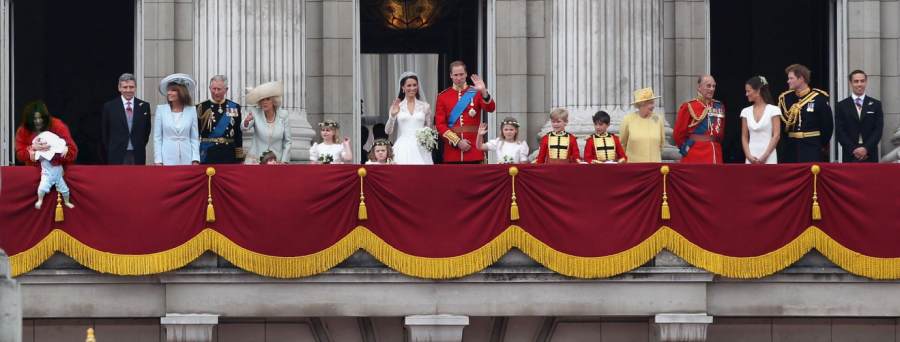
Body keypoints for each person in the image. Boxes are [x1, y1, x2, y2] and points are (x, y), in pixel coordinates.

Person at [15, 101, 79, 206]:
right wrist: (32, 149)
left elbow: (72, 151)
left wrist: (53, 154)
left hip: (59, 174)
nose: (38, 121)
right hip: (35, 178)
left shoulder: (57, 126)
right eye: (34, 119)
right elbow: (19, 154)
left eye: (40, 118)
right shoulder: (23, 130)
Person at [434, 61, 497, 164]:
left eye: (461, 74)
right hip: (452, 152)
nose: (459, 78)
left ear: (466, 74)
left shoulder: (475, 92)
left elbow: (491, 108)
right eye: (455, 75)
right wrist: (457, 141)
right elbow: (440, 125)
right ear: (450, 75)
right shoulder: (443, 96)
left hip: (474, 149)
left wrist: (484, 92)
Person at [777, 64, 833, 163]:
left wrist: (820, 145)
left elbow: (827, 126)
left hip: (812, 148)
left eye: (791, 78)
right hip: (791, 149)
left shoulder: (819, 98)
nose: (788, 81)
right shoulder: (786, 98)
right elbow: (783, 127)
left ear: (801, 79)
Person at [101, 73, 152, 165]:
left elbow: (146, 130)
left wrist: (138, 143)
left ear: (135, 88)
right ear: (119, 88)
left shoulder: (144, 106)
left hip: (137, 153)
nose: (128, 90)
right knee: (117, 179)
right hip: (116, 153)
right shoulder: (109, 107)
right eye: (125, 87)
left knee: (137, 179)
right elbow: (105, 132)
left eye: (131, 87)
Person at [674, 75, 725, 164]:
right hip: (695, 153)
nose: (712, 89)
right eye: (708, 86)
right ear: (699, 87)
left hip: (714, 152)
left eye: (713, 86)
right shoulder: (688, 106)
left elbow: (721, 133)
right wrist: (688, 148)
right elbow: (678, 134)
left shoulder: (719, 106)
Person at [386, 71, 434, 165]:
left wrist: (427, 139)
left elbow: (429, 129)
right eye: (409, 85)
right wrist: (392, 116)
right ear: (403, 87)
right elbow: (388, 131)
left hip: (421, 147)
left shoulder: (425, 106)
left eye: (414, 85)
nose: (412, 88)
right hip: (402, 146)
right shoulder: (396, 106)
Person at [835, 70, 883, 163]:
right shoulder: (841, 105)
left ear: (866, 82)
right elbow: (840, 131)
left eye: (862, 81)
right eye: (856, 81)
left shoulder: (876, 104)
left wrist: (866, 148)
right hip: (850, 155)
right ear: (850, 83)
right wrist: (853, 150)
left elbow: (878, 130)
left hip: (870, 154)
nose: (859, 84)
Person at [154, 74, 200, 166]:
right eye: (168, 90)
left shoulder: (191, 110)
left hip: (187, 157)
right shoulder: (161, 110)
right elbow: (157, 138)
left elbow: (194, 138)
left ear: (181, 92)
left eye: (173, 90)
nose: (169, 93)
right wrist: (158, 160)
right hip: (167, 157)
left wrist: (195, 159)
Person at [242, 81, 293, 163]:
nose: (264, 102)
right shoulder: (255, 113)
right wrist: (246, 121)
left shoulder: (284, 115)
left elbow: (288, 141)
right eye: (262, 100)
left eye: (267, 99)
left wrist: (284, 161)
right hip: (256, 160)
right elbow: (244, 128)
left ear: (274, 101)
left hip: (276, 161)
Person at [197, 75, 244, 164]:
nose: (216, 92)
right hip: (208, 153)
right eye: (213, 89)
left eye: (219, 89)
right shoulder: (201, 107)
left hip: (229, 154)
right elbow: (196, 134)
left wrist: (239, 157)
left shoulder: (234, 107)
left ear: (226, 90)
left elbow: (238, 133)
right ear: (209, 88)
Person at [740, 76, 781, 164]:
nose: (746, 94)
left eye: (748, 91)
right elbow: (744, 136)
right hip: (751, 156)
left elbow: (776, 135)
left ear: (758, 91)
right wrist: (748, 156)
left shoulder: (774, 110)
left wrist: (765, 156)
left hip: (769, 156)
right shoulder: (745, 111)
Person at [620, 88, 665, 163]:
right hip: (634, 167)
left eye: (653, 103)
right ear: (641, 105)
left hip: (654, 166)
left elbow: (661, 143)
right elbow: (622, 144)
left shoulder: (658, 119)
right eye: (650, 103)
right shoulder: (628, 120)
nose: (653, 106)